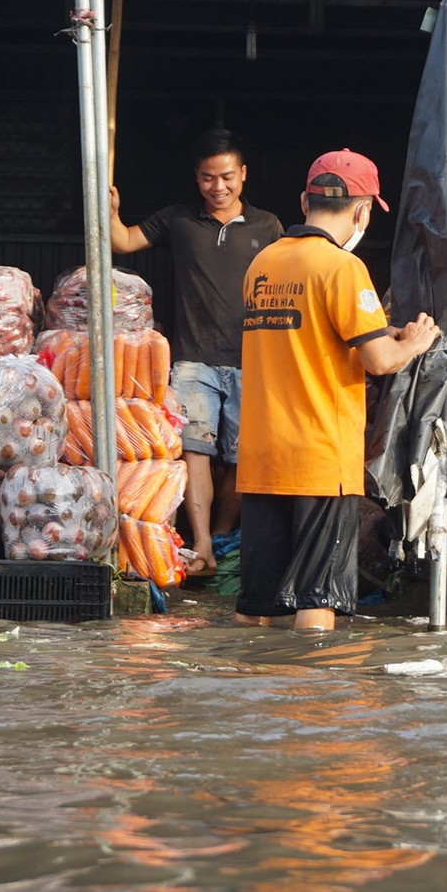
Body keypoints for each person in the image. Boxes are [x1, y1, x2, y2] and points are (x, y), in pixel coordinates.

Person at [235, 149, 440, 631]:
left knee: (257, 607)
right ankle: (317, 704)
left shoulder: (262, 265)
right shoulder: (342, 268)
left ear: (305, 199)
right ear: (362, 210)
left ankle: (241, 699)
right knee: (316, 601)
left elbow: (300, 342)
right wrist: (414, 341)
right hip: (318, 459)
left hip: (263, 458)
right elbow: (380, 361)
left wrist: (370, 335)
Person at [111, 129, 284, 575]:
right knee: (196, 452)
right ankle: (203, 545)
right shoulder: (179, 219)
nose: (218, 187)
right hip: (193, 359)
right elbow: (124, 241)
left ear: (243, 175)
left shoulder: (268, 227)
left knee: (244, 458)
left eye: (227, 176)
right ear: (197, 178)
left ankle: (223, 536)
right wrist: (108, 210)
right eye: (208, 178)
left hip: (253, 360)